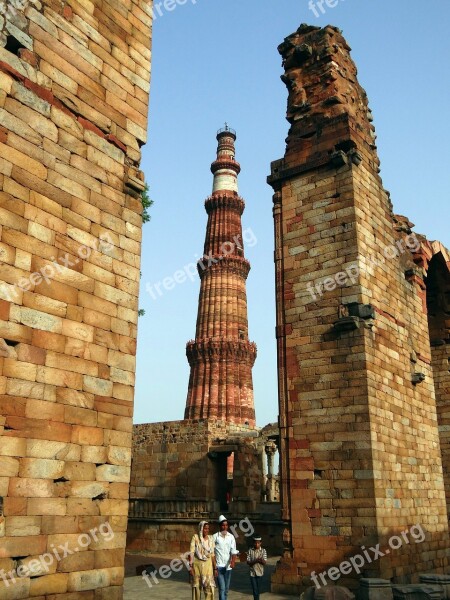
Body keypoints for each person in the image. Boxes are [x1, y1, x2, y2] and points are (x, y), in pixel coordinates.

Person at [212, 515, 240, 600]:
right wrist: (214, 567)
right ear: (220, 526)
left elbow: (233, 550)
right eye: (223, 525)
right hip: (219, 566)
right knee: (222, 588)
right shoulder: (215, 537)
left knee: (226, 590)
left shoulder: (231, 537)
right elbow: (211, 552)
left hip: (228, 567)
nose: (225, 527)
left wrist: (233, 561)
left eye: (226, 525)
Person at [188, 521, 216, 600]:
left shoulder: (211, 539)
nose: (206, 530)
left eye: (208, 529)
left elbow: (213, 555)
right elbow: (191, 552)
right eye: (205, 528)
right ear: (201, 528)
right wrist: (190, 567)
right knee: (197, 588)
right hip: (197, 566)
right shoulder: (195, 537)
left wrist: (215, 568)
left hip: (208, 566)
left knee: (210, 589)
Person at [246, 535, 267, 600]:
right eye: (255, 543)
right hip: (252, 573)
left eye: (258, 543)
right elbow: (248, 562)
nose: (257, 544)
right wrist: (256, 560)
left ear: (260, 543)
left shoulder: (263, 551)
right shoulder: (250, 550)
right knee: (255, 590)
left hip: (260, 572)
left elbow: (264, 562)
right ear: (253, 543)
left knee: (258, 590)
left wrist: (260, 560)